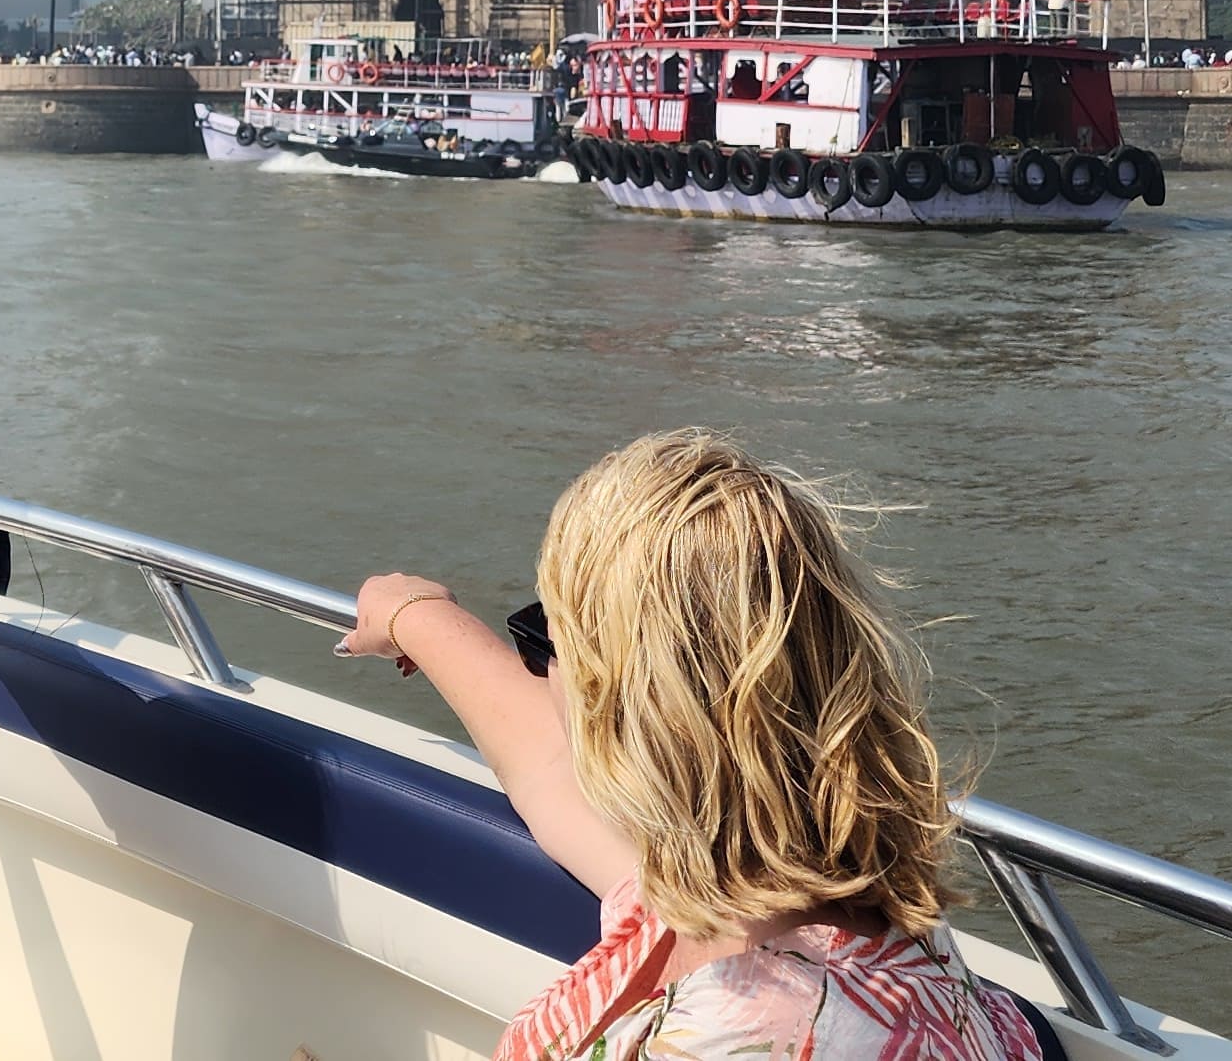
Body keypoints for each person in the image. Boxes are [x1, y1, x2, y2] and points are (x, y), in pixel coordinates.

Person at [340, 432, 1041, 1061]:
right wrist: (415, 614)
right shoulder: (746, 894)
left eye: (546, 636)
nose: (540, 668)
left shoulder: (743, 1035)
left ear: (624, 704)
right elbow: (549, 763)